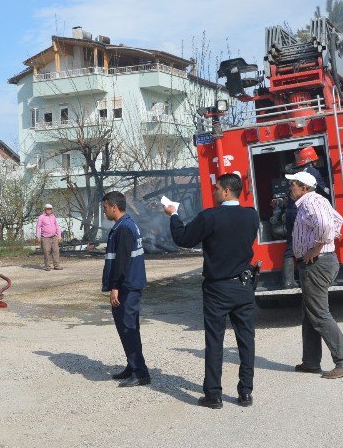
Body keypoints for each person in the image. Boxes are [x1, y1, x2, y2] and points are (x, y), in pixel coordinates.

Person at [165, 173, 259, 409]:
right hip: (244, 284)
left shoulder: (210, 216)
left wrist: (173, 214)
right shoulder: (251, 215)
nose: (214, 192)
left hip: (218, 287)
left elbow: (183, 239)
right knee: (246, 340)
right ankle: (246, 392)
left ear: (226, 191)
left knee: (215, 341)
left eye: (217, 188)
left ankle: (214, 394)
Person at [285, 171, 343, 379]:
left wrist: (315, 249)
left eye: (293, 185)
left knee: (318, 314)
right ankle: (310, 361)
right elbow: (338, 220)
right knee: (310, 313)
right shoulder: (316, 201)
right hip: (320, 262)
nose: (290, 188)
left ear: (304, 188)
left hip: (317, 263)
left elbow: (327, 225)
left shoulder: (310, 202)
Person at [101, 191, 150, 387]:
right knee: (126, 328)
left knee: (128, 328)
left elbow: (121, 262)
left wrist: (114, 287)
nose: (104, 211)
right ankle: (132, 365)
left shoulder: (124, 228)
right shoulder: (127, 224)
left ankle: (140, 372)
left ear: (114, 207)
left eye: (105, 207)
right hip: (129, 285)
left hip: (126, 287)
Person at [35, 204, 62, 271]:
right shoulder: (41, 217)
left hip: (54, 237)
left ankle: (56, 265)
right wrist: (38, 236)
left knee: (56, 251)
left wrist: (59, 236)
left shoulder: (53, 217)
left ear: (52, 209)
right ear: (45, 209)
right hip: (45, 237)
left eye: (50, 209)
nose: (49, 210)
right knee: (46, 251)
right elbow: (38, 227)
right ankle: (47, 266)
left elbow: (57, 226)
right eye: (47, 209)